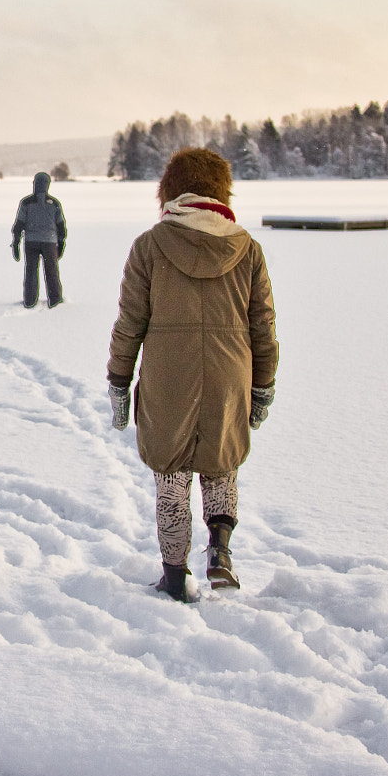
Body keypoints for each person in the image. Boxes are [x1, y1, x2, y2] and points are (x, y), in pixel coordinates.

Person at [106, 148, 277, 602]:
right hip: (229, 377)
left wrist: (119, 382)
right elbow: (263, 327)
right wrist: (262, 387)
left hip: (168, 379)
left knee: (172, 477)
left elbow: (129, 325)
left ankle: (175, 575)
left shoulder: (149, 246)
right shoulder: (247, 250)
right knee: (221, 468)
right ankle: (220, 549)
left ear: (170, 191)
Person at [11, 172, 67, 308]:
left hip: (31, 242)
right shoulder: (54, 203)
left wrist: (16, 243)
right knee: (51, 272)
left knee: (31, 271)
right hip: (50, 243)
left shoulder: (26, 202)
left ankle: (29, 301)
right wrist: (60, 244)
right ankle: (55, 301)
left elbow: (18, 224)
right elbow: (61, 227)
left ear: (35, 184)